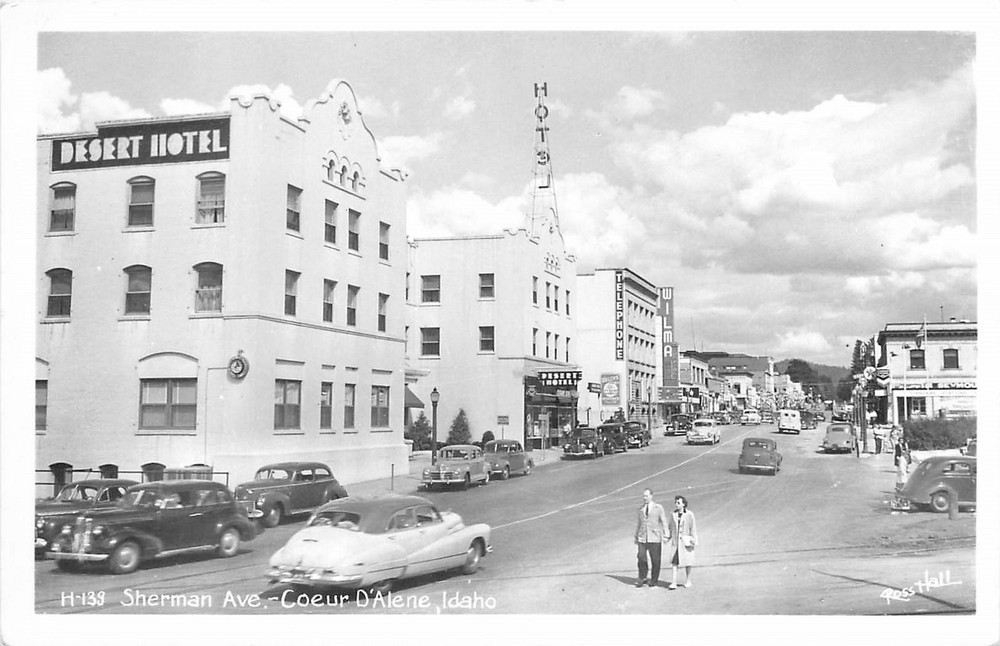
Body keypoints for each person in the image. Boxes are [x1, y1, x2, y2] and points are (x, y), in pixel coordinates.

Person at [633, 488, 669, 588]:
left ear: (651, 496)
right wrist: (636, 536)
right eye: (643, 496)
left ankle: (654, 581)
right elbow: (639, 523)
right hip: (642, 537)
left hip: (655, 538)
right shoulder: (641, 509)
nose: (645, 498)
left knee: (656, 560)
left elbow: (664, 521)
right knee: (641, 557)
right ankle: (642, 577)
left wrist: (666, 534)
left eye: (647, 496)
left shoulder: (658, 507)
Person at [666, 495, 698, 589]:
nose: (676, 504)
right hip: (676, 543)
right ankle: (674, 582)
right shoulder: (673, 514)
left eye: (678, 503)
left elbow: (693, 528)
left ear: (683, 504)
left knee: (688, 562)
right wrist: (667, 537)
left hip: (686, 542)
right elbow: (670, 527)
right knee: (674, 562)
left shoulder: (689, 514)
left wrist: (693, 539)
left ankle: (688, 580)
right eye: (676, 502)